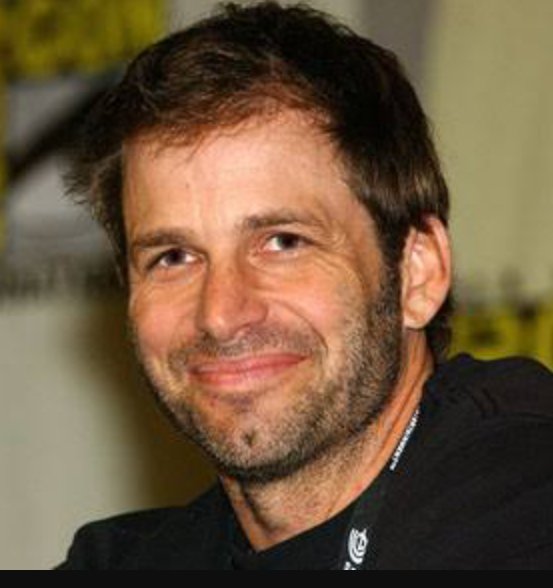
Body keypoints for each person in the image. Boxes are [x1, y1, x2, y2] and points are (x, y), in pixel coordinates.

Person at [57, 1, 553, 570]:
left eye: (283, 242)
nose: (221, 313)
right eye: (174, 257)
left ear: (418, 271)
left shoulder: (526, 500)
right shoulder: (122, 562)